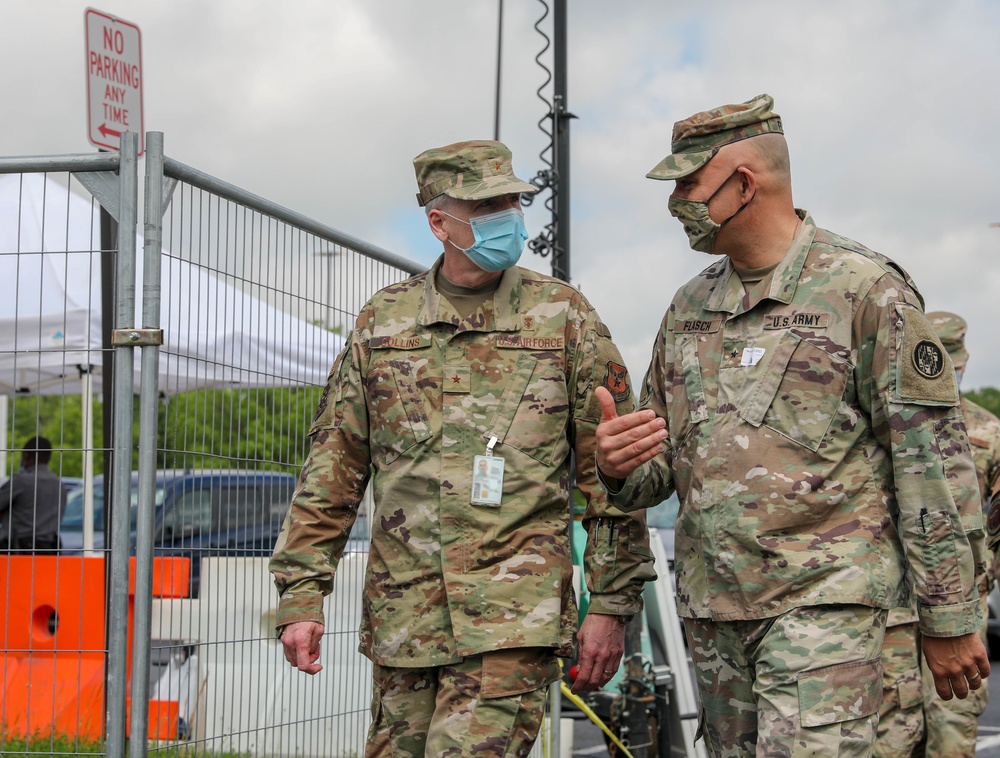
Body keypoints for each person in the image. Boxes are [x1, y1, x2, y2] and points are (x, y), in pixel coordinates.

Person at [593, 94, 989, 757]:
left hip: (823, 608)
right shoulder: (689, 308)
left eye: (689, 183)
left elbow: (931, 463)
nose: (677, 201)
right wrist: (618, 466)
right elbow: (658, 474)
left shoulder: (865, 292)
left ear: (744, 184)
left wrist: (948, 615)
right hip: (715, 613)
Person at [269, 140, 656, 757]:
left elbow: (612, 471)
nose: (507, 214)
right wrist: (301, 593)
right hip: (405, 618)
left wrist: (610, 603)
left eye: (511, 200)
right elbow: (334, 468)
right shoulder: (383, 322)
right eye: (486, 205)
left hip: (511, 619)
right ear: (439, 223)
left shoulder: (563, 316)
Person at [875, 311, 1000, 757]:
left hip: (892, 605)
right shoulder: (987, 430)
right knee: (931, 726)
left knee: (895, 727)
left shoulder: (882, 424)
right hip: (933, 604)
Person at [0, 436, 67, 551]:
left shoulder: (21, 481)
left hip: (17, 551)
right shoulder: (59, 486)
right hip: (49, 551)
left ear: (26, 456)